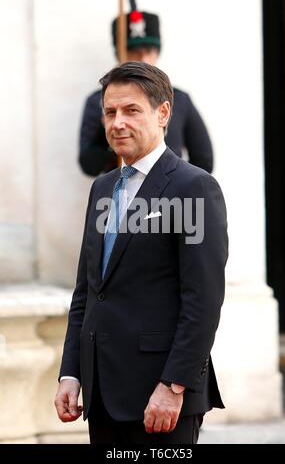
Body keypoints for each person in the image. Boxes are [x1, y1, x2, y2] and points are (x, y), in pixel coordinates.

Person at [55, 62, 228, 444]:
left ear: (163, 113)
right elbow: (87, 291)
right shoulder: (101, 189)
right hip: (102, 396)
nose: (118, 122)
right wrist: (71, 372)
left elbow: (203, 300)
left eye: (131, 110)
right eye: (110, 112)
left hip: (161, 398)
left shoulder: (194, 187)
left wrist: (174, 385)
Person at [79, 9, 213, 176]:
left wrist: (178, 183)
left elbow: (204, 160)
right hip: (122, 194)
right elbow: (88, 165)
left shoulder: (179, 99)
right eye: (133, 51)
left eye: (148, 51)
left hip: (168, 196)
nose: (142, 59)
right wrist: (112, 131)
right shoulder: (99, 101)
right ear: (119, 54)